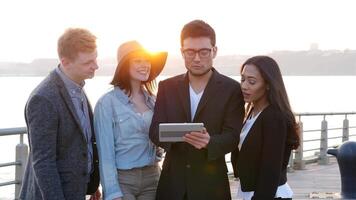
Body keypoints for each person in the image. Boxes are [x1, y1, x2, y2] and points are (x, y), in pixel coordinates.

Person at [149, 19, 245, 200]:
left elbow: (233, 137)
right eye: (190, 52)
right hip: (172, 184)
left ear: (214, 51)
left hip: (212, 185)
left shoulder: (231, 89)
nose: (197, 58)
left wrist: (209, 142)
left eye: (204, 51)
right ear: (182, 52)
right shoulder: (166, 87)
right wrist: (179, 136)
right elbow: (154, 131)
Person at [19, 28, 101, 200]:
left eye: (95, 58)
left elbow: (82, 141)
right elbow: (43, 162)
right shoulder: (43, 99)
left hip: (77, 191)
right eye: (88, 62)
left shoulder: (77, 86)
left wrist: (91, 183)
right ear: (65, 62)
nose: (96, 66)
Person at [94, 40, 168, 200]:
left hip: (153, 177)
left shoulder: (154, 101)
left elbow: (161, 139)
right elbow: (105, 154)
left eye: (147, 60)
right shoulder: (106, 103)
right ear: (125, 65)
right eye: (138, 60)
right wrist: (112, 193)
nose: (145, 65)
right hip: (123, 181)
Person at [231, 56, 300, 200]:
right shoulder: (252, 112)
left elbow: (270, 170)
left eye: (252, 82)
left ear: (268, 84)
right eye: (242, 79)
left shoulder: (274, 117)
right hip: (248, 192)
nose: (244, 86)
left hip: (268, 194)